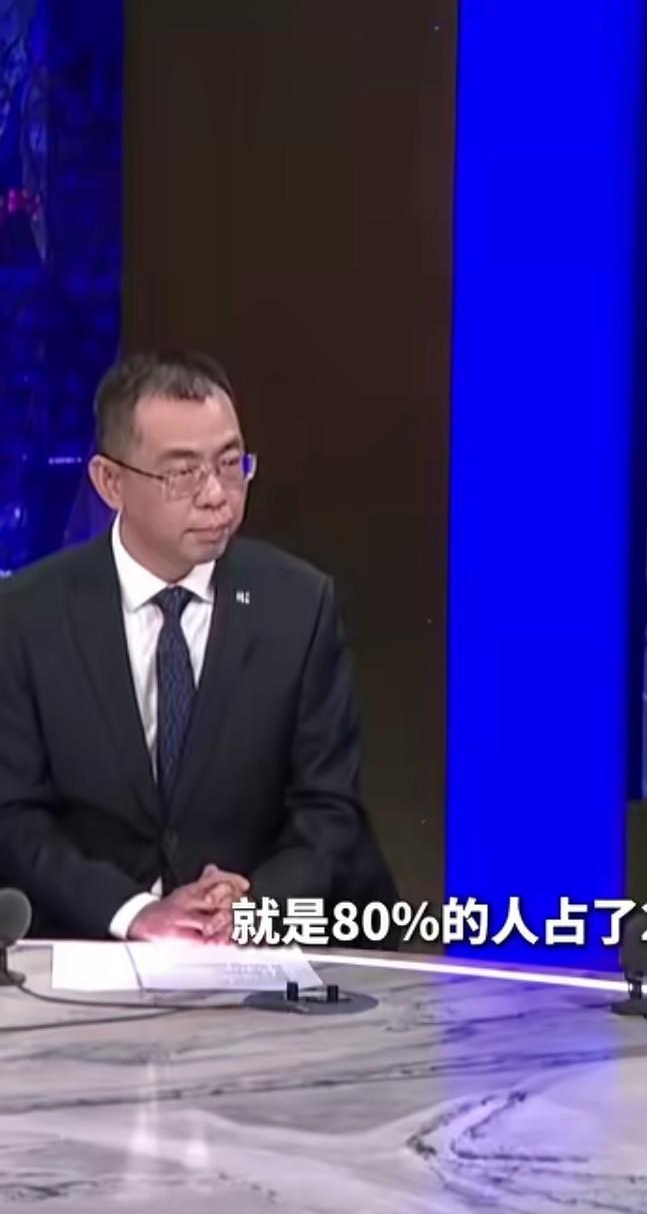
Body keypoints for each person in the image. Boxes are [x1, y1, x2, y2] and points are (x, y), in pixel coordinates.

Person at [0, 351, 395, 942]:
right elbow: (14, 816)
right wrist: (135, 912)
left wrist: (252, 907)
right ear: (110, 482)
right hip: (87, 945)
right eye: (183, 473)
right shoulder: (25, 615)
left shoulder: (300, 605)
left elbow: (328, 808)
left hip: (256, 952)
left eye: (231, 464)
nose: (217, 495)